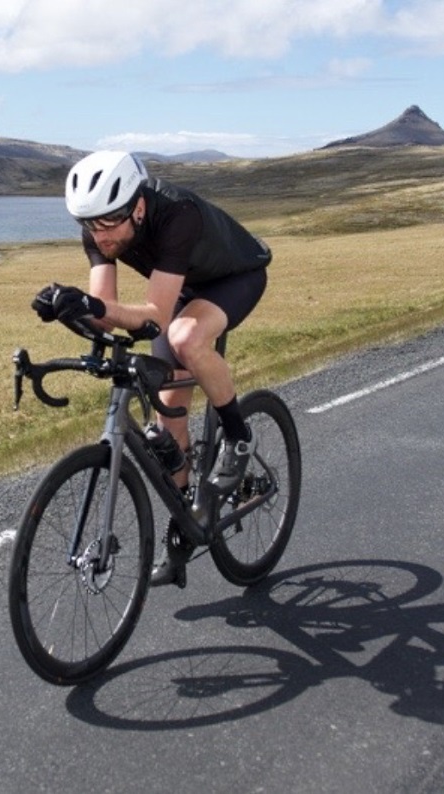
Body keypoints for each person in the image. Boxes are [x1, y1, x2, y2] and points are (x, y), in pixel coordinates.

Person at [33, 150, 272, 589]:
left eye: (109, 223)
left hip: (234, 277)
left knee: (185, 338)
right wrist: (69, 309)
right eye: (90, 225)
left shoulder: (177, 216)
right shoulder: (98, 230)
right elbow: (105, 312)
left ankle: (239, 437)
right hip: (180, 287)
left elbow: (154, 318)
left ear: (138, 208)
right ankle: (186, 523)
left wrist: (95, 306)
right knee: (167, 402)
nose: (100, 237)